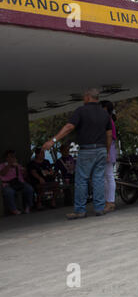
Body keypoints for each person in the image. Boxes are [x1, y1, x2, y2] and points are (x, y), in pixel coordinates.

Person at [42, 88, 112, 220]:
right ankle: (99, 208)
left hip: (87, 149)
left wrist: (53, 140)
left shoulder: (81, 111)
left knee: (81, 180)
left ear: (87, 97)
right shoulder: (105, 114)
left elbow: (69, 127)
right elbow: (109, 135)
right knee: (98, 179)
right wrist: (107, 151)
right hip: (102, 149)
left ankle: (80, 210)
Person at [0, 150, 34, 215]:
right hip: (7, 184)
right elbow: (2, 173)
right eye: (10, 157)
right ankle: (14, 209)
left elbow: (25, 175)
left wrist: (24, 172)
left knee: (29, 189)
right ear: (6, 158)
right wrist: (9, 164)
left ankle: (28, 206)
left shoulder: (18, 166)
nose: (12, 158)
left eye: (13, 157)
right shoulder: (2, 165)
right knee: (9, 192)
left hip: (19, 183)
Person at [100, 100, 117, 213]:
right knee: (107, 177)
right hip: (108, 147)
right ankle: (108, 201)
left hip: (108, 147)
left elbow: (109, 137)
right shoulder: (108, 120)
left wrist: (107, 152)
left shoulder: (107, 120)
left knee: (108, 176)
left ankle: (110, 201)